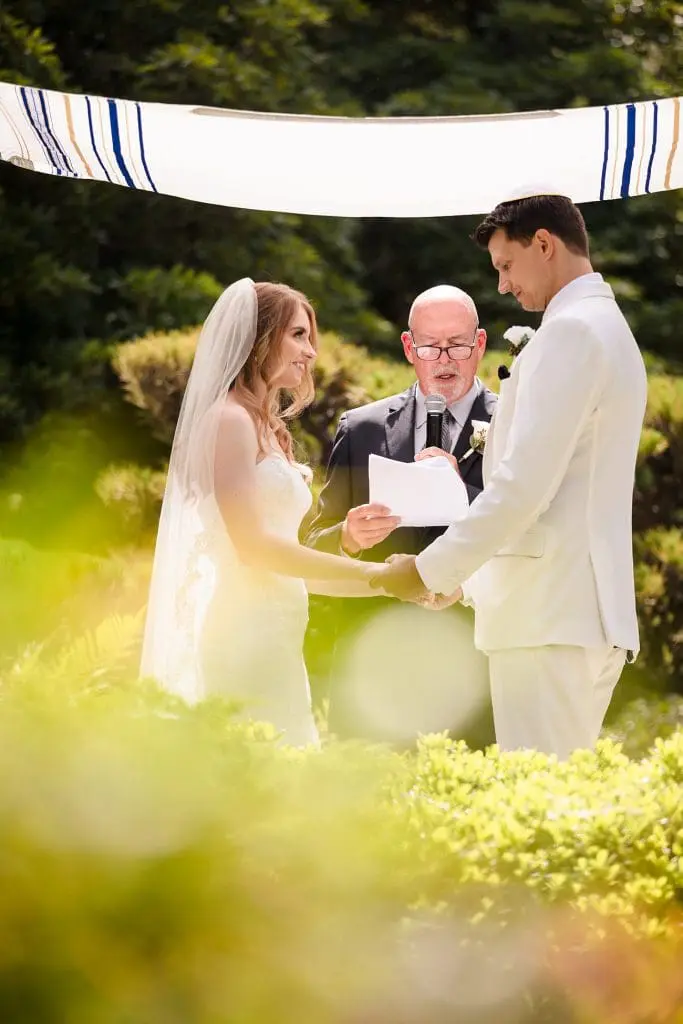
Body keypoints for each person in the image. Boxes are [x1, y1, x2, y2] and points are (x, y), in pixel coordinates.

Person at [375, 191, 647, 760]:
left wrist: (427, 569)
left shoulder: (572, 332)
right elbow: (564, 498)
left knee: (541, 812)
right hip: (571, 614)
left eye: (505, 265)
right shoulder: (605, 326)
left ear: (543, 244)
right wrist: (467, 584)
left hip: (549, 621)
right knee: (559, 804)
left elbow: (525, 485)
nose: (501, 285)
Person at [140, 279, 388, 747]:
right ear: (259, 337)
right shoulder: (228, 421)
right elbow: (254, 549)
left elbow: (294, 567)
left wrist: (394, 584)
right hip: (243, 638)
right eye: (298, 335)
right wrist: (377, 574)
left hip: (277, 641)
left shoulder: (267, 428)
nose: (311, 352)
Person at [306, 285, 497, 742]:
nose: (444, 359)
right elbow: (309, 548)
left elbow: (536, 528)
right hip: (373, 663)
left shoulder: (517, 422)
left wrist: (464, 491)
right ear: (409, 347)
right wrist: (348, 537)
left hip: (480, 660)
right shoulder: (362, 428)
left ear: (481, 344)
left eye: (458, 344)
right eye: (430, 346)